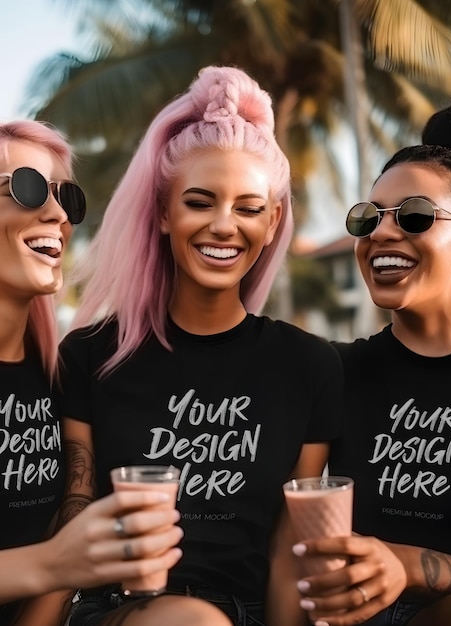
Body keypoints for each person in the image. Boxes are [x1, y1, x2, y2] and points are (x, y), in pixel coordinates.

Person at [53, 65, 344, 626]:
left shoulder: (309, 365)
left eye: (249, 208)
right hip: (118, 610)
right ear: (164, 213)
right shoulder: (90, 354)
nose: (223, 226)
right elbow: (74, 513)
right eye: (200, 202)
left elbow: (290, 547)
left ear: (273, 219)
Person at [0, 121, 183, 626]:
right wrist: (46, 565)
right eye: (26, 189)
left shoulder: (63, 372)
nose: (57, 215)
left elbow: (69, 529)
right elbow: (57, 559)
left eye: (67, 198)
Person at [292, 102, 451, 626]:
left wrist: (406, 566)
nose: (381, 235)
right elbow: (292, 536)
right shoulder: (333, 371)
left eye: (414, 215)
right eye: (369, 217)